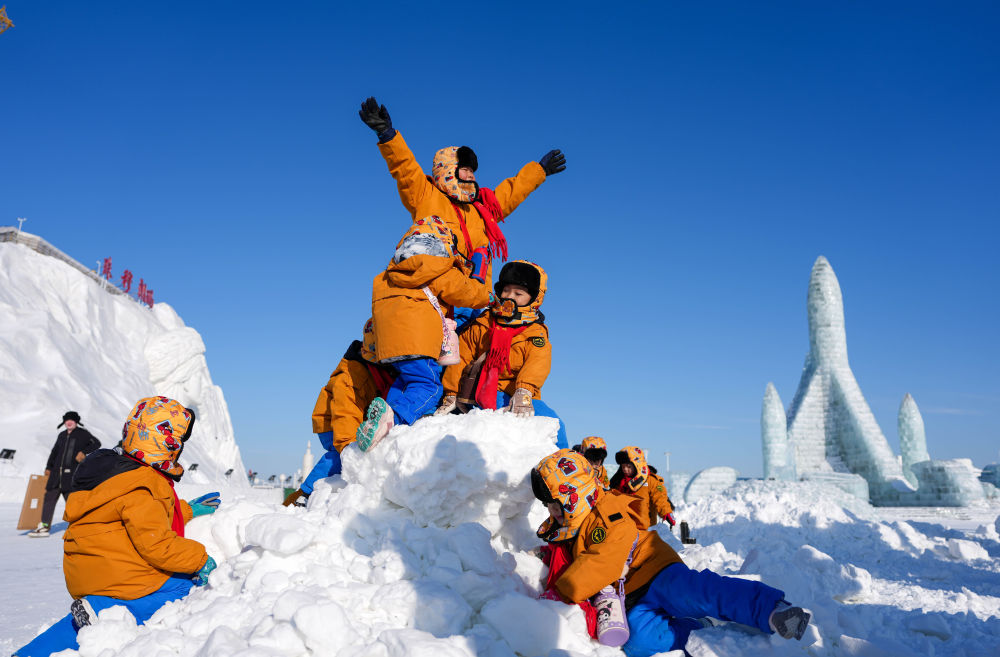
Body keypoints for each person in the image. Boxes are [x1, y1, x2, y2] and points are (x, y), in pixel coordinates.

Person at [530, 449, 812, 656]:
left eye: (556, 505)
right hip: (630, 596)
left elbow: (602, 561)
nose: (553, 513)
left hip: (655, 569)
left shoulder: (608, 513)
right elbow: (573, 554)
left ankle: (772, 610)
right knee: (639, 643)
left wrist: (563, 591)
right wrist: (547, 556)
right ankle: (696, 632)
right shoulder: (571, 527)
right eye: (549, 507)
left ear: (576, 496)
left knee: (700, 593)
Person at [14, 396, 220, 657]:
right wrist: (200, 560)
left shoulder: (114, 470)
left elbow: (141, 512)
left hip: (85, 569)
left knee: (81, 625)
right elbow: (158, 544)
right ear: (167, 444)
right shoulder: (144, 482)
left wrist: (186, 510)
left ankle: (30, 653)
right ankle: (105, 610)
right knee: (182, 587)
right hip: (116, 574)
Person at [359, 96, 566, 288]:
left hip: (475, 297)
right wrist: (388, 135)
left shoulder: (482, 207)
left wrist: (539, 171)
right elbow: (405, 168)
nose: (471, 175)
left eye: (472, 171)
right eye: (465, 169)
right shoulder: (424, 195)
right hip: (439, 292)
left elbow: (511, 192)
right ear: (447, 171)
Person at [356, 217, 491, 451]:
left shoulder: (387, 274)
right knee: (429, 387)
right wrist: (484, 290)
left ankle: (387, 413)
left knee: (406, 381)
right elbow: (467, 294)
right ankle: (394, 420)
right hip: (418, 342)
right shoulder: (437, 267)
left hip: (387, 345)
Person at [435, 260, 568, 448]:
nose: (509, 297)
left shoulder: (535, 332)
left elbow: (538, 364)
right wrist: (451, 392)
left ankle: (563, 461)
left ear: (534, 299)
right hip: (480, 390)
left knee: (555, 424)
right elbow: (462, 356)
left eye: (518, 293)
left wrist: (524, 391)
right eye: (506, 290)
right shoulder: (484, 323)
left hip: (518, 394)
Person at [283, 323, 397, 506]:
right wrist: (348, 446)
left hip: (355, 419)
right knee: (341, 454)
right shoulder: (352, 375)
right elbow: (344, 412)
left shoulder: (381, 373)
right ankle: (303, 494)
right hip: (331, 421)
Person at [29, 411, 101, 537]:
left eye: (71, 420)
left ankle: (78, 526)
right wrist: (48, 467)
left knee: (73, 503)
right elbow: (54, 452)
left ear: (76, 422)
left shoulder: (82, 433)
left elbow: (96, 443)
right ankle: (44, 526)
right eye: (67, 420)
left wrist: (84, 452)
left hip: (71, 476)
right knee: (49, 500)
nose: (69, 422)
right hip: (56, 475)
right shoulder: (62, 435)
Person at [609, 446, 676, 530]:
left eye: (629, 466)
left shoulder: (651, 481)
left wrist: (667, 513)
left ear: (637, 465)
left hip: (646, 529)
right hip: (625, 529)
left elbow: (660, 498)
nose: (625, 469)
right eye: (623, 467)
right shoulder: (619, 483)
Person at [646, 465, 676, 529]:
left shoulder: (653, 482)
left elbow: (660, 498)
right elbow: (661, 498)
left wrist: (667, 513)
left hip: (647, 523)